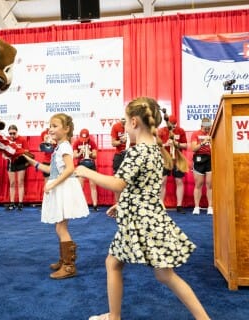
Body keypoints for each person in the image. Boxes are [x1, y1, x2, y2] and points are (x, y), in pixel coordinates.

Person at [74, 97, 210, 320]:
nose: (125, 127)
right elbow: (143, 187)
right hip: (145, 216)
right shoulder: (154, 150)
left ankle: (114, 317)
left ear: (134, 122)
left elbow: (118, 183)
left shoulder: (137, 152)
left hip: (142, 221)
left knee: (159, 273)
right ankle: (114, 316)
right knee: (124, 264)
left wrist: (86, 171)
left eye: (126, 121)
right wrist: (122, 203)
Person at [23, 113, 89, 280]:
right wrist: (34, 163)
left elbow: (69, 169)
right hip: (62, 187)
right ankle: (64, 260)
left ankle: (68, 266)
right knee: (60, 227)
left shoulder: (65, 146)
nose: (50, 129)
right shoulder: (59, 147)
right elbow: (53, 170)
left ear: (66, 129)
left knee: (61, 228)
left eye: (55, 126)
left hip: (64, 189)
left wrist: (52, 184)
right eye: (50, 126)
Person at [158, 115, 188, 213]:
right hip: (165, 158)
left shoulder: (181, 131)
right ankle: (161, 205)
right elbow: (155, 146)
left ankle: (179, 205)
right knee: (163, 181)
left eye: (174, 125)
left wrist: (177, 144)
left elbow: (185, 145)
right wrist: (165, 144)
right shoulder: (161, 131)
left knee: (179, 181)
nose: (173, 127)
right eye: (171, 125)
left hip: (177, 159)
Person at [190, 118, 213, 215]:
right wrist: (203, 142)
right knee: (198, 184)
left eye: (209, 128)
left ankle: (210, 207)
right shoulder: (195, 134)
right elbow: (193, 148)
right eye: (206, 128)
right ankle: (196, 207)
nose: (208, 130)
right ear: (202, 126)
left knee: (209, 184)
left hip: (210, 158)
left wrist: (211, 141)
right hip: (199, 158)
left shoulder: (212, 133)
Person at [73, 128, 99, 211]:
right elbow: (75, 156)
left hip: (91, 164)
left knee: (93, 185)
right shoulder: (77, 142)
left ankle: (95, 205)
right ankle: (79, 206)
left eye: (85, 138)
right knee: (80, 186)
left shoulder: (92, 142)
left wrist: (89, 153)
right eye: (82, 138)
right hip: (81, 164)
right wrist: (81, 152)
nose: (84, 140)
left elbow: (95, 155)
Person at [7, 125, 29, 211]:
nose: (12, 135)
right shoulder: (7, 140)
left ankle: (20, 203)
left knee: (20, 182)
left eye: (13, 133)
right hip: (11, 162)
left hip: (20, 162)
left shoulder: (22, 139)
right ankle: (12, 203)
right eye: (10, 133)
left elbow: (27, 151)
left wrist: (19, 153)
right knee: (12, 183)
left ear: (17, 132)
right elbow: (4, 150)